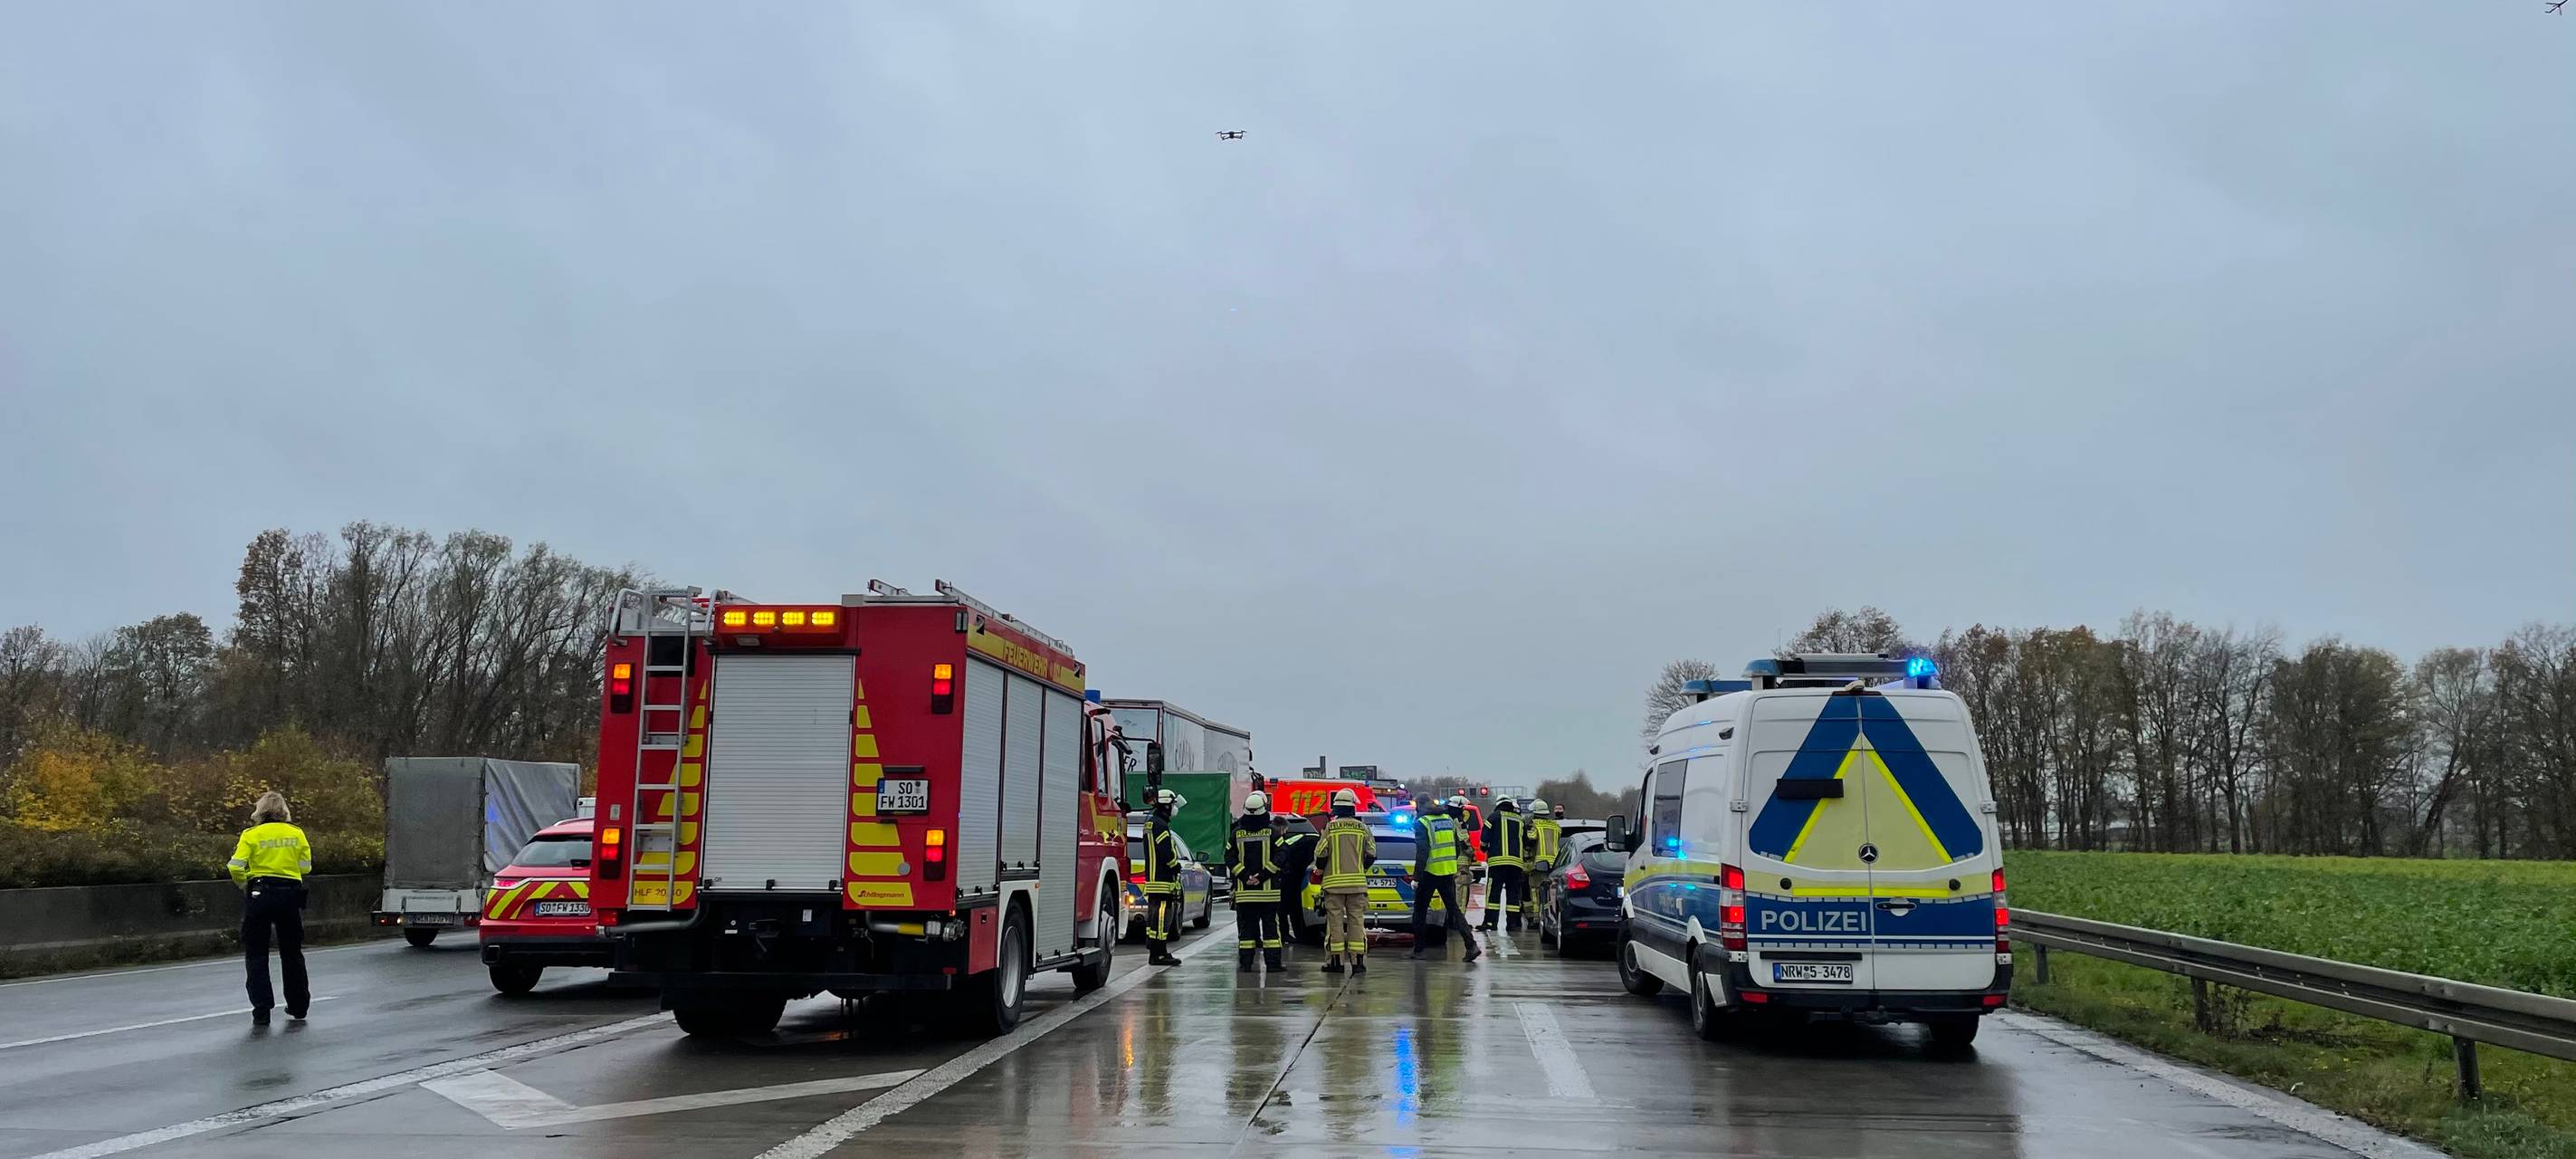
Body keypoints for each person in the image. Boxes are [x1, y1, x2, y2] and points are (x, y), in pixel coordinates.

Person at [229, 790, 313, 1026]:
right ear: (284, 810)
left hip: (260, 894)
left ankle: (262, 1009)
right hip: (289, 895)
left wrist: (245, 884)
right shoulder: (296, 833)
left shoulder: (251, 835)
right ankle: (298, 1006)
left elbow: (235, 866)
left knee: (256, 952)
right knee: (292, 953)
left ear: (260, 810)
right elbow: (305, 867)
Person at [1407, 799, 1480, 962]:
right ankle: (1471, 945)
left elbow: (1422, 852)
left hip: (1429, 872)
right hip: (1447, 871)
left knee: (1419, 911)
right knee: (1454, 909)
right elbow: (1456, 846)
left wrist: (1416, 877)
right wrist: (1450, 864)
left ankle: (1419, 950)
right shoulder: (1447, 819)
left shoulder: (1423, 822)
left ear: (1419, 807)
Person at [1316, 789, 1376, 973]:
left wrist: (1321, 869)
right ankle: (1358, 962)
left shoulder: (1330, 828)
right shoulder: (1363, 828)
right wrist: (1360, 868)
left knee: (1334, 922)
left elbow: (1321, 853)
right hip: (1357, 885)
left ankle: (1336, 963)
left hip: (1333, 886)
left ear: (1337, 809)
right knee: (1356, 921)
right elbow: (1372, 853)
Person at [1227, 790, 1285, 972]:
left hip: (1245, 893)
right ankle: (1273, 964)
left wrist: (1244, 876)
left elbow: (1229, 857)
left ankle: (1246, 964)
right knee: (1271, 930)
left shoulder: (1236, 833)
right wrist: (1263, 876)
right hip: (1268, 893)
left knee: (1247, 931)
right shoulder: (1273, 833)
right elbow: (1282, 855)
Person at [1141, 788, 1185, 966]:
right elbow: (1166, 852)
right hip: (1162, 880)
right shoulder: (1161, 826)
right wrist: (1176, 865)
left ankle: (1155, 952)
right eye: (1173, 804)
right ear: (1166, 805)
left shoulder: (1150, 823)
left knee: (1154, 919)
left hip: (1153, 879)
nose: (1175, 808)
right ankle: (1159, 954)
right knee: (1161, 918)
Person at [1479, 797, 1531, 934]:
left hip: (1497, 862)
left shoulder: (1493, 817)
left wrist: (1483, 848)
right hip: (1516, 864)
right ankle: (1513, 924)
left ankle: (1491, 922)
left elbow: (1484, 838)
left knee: (1493, 893)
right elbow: (1526, 841)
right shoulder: (1520, 820)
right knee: (1513, 893)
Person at [1528, 799, 1563, 929]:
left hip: (1540, 862)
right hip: (1554, 863)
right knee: (1551, 892)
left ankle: (1537, 917)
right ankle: (1550, 916)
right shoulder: (1555, 825)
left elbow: (1530, 839)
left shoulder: (1534, 824)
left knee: (1535, 889)